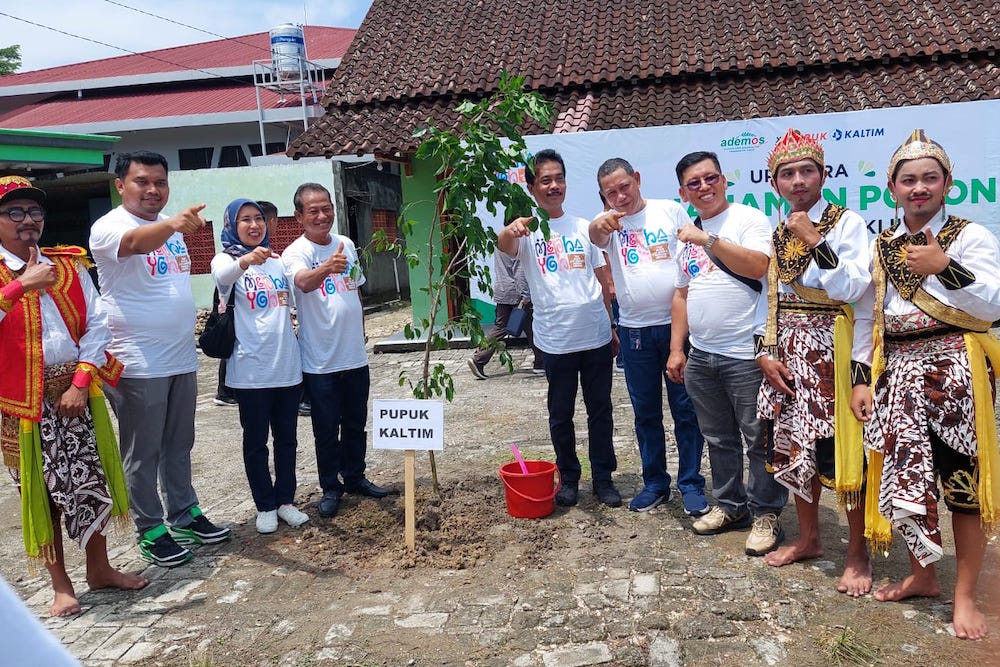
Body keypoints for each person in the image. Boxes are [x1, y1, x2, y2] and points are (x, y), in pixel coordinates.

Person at [850, 130, 1000, 640]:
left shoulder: (969, 237)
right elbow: (870, 316)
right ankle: (923, 574)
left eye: (929, 179)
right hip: (896, 371)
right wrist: (861, 380)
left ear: (948, 185)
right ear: (891, 187)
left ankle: (964, 597)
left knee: (962, 485)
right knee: (910, 480)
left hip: (955, 370)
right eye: (908, 179)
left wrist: (946, 268)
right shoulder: (884, 246)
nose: (919, 188)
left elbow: (994, 305)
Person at [0, 175, 147, 616]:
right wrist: (20, 286)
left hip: (76, 392)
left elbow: (98, 324)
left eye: (35, 212)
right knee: (40, 491)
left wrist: (82, 382)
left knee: (89, 481)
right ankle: (60, 583)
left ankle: (99, 568)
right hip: (20, 404)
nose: (29, 221)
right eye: (15, 212)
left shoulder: (68, 266)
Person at [90, 151, 231, 568]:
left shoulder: (173, 229)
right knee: (143, 450)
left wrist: (170, 225)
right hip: (136, 360)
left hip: (179, 355)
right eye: (142, 182)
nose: (153, 190)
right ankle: (150, 528)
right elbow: (135, 245)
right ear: (120, 185)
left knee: (179, 444)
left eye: (160, 182)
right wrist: (170, 223)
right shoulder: (110, 226)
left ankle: (185, 514)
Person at [753, 130, 872, 594]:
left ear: (823, 175)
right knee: (795, 448)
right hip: (789, 355)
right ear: (775, 182)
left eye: (807, 171)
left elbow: (852, 289)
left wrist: (815, 238)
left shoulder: (847, 223)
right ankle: (809, 539)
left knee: (843, 454)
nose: (798, 180)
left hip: (834, 351)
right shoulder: (778, 230)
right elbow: (771, 298)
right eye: (788, 173)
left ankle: (857, 553)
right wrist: (765, 352)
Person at [666, 151, 788, 556]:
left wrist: (709, 240)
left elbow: (758, 267)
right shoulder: (687, 232)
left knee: (759, 437)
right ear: (684, 192)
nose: (704, 187)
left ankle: (766, 512)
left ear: (724, 180)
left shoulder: (748, 219)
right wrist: (677, 348)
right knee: (718, 438)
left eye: (710, 178)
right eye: (694, 183)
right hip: (702, 354)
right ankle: (731, 505)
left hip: (746, 355)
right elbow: (682, 293)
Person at [498, 149, 622, 507]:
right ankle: (569, 478)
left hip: (596, 337)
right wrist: (511, 228)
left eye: (559, 179)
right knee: (560, 414)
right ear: (533, 186)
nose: (554, 186)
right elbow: (504, 245)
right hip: (555, 342)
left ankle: (603, 478)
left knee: (600, 410)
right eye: (546, 180)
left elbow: (602, 280)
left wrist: (611, 326)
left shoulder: (584, 228)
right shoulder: (527, 230)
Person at [589, 158, 707, 515]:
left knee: (686, 411)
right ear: (603, 196)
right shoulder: (607, 223)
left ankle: (691, 483)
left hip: (677, 328)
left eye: (625, 187)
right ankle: (655, 482)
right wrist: (602, 223)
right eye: (611, 192)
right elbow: (596, 236)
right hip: (635, 331)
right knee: (645, 413)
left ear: (638, 179)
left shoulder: (669, 212)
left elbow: (692, 257)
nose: (620, 196)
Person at [282, 182, 388, 519]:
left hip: (353, 354)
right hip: (320, 361)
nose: (322, 215)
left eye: (326, 207)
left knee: (356, 423)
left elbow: (355, 288)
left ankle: (355, 476)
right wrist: (327, 266)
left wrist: (361, 330)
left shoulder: (345, 244)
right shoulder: (296, 251)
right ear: (299, 216)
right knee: (326, 428)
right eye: (312, 210)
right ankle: (331, 487)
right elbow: (302, 283)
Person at [211, 198, 309, 534]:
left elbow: (295, 302)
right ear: (232, 225)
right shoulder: (225, 260)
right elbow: (222, 275)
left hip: (286, 368)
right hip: (250, 371)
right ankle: (264, 505)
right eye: (245, 220)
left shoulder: (278, 262)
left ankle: (285, 501)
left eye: (259, 219)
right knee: (256, 443)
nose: (255, 226)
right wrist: (245, 261)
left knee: (287, 440)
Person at [468, 214, 543, 379]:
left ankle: (479, 358)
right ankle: (540, 363)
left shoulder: (500, 241)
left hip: (502, 290)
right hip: (517, 293)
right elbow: (520, 271)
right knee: (532, 328)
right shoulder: (519, 242)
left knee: (503, 327)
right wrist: (525, 295)